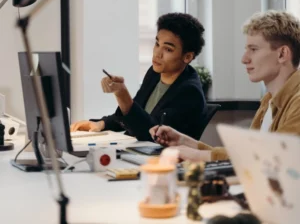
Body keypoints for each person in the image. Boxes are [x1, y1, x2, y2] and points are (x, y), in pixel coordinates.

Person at [150, 10, 300, 161]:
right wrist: (186, 142)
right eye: (246, 49)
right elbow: (246, 155)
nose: (244, 59)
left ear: (282, 54)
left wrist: (199, 155)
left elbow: (276, 160)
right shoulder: (268, 100)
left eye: (253, 49)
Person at [71, 12, 207, 141]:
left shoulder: (189, 92)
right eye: (157, 44)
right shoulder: (154, 74)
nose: (157, 54)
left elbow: (153, 135)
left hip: (163, 161)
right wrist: (101, 124)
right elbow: (134, 115)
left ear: (188, 56)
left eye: (168, 49)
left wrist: (122, 94)